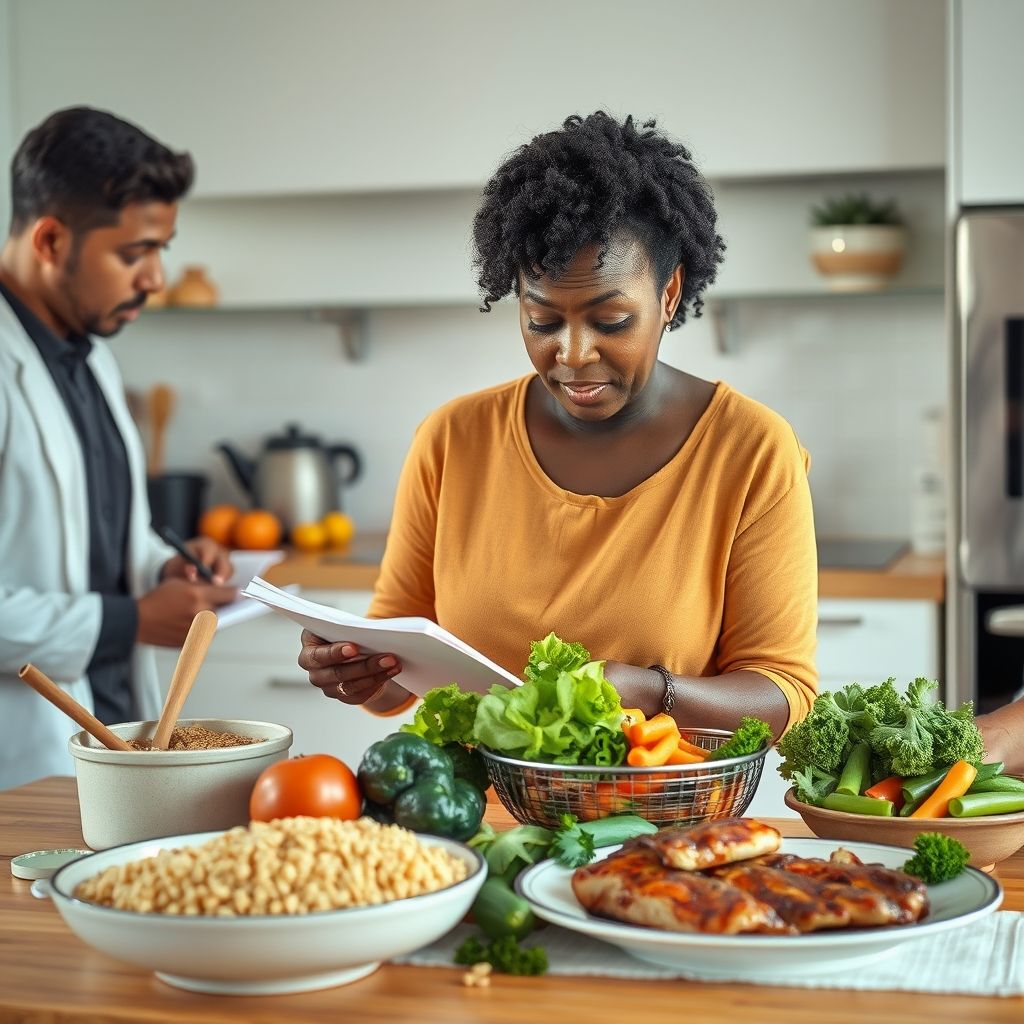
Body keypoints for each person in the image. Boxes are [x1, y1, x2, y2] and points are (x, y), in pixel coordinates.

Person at [299, 111, 818, 737]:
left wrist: (652, 691)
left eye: (611, 321)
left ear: (670, 294)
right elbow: (395, 677)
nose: (573, 355)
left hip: (662, 827)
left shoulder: (751, 448)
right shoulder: (452, 440)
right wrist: (361, 671)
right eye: (543, 322)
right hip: (470, 824)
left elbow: (784, 694)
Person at [0, 107, 237, 790]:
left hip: (112, 742)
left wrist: (167, 565)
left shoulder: (91, 356)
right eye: (135, 253)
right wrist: (130, 620)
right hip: (19, 766)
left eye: (162, 249)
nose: (156, 279)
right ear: (50, 240)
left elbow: (100, 539)